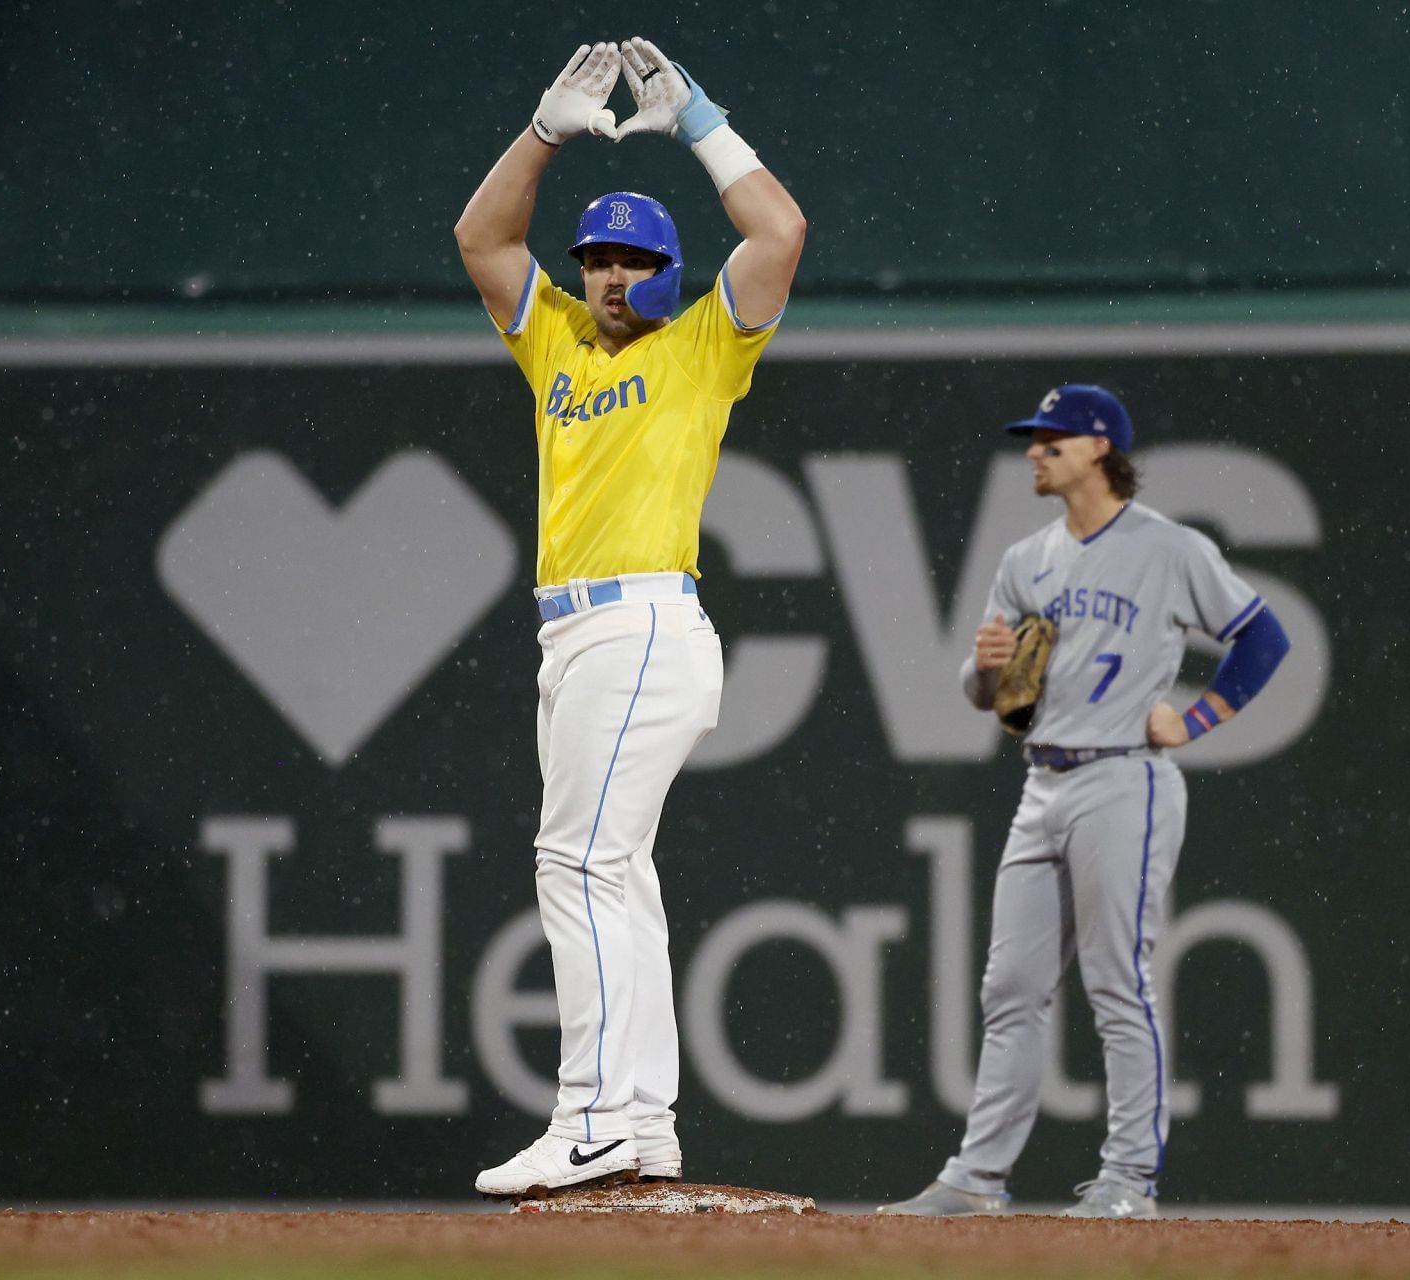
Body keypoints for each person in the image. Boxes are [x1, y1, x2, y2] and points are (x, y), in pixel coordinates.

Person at [453, 38, 805, 1199]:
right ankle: (641, 1119)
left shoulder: (705, 344)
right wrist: (543, 132)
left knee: (576, 861)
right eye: (597, 258)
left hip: (645, 623)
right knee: (619, 874)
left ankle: (592, 1115)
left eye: (632, 259)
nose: (609, 277)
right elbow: (482, 238)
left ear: (667, 269)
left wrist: (703, 125)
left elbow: (781, 234)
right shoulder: (552, 332)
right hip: (576, 637)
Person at [877, 385, 1292, 1219]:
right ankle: (976, 1179)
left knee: (1117, 983)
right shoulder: (1025, 560)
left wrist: (1199, 714)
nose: (1035, 449)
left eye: (1051, 438)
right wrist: (986, 665)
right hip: (1043, 780)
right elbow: (987, 698)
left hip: (1123, 779)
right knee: (1011, 986)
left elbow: (1264, 637)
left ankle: (1128, 1181)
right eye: (1033, 439)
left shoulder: (1169, 549)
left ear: (1100, 446)